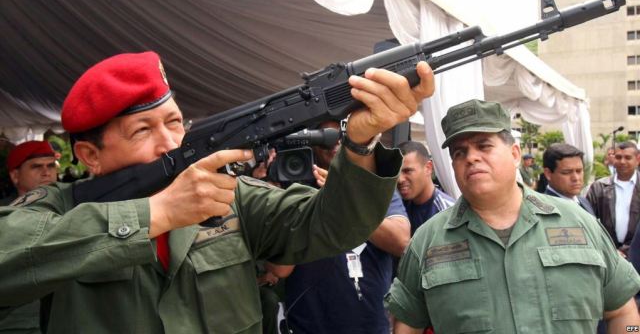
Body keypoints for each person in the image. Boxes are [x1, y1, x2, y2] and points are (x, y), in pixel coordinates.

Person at [0, 51, 435, 333]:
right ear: (90, 155)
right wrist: (156, 214)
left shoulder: (234, 196)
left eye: (174, 122)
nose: (170, 143)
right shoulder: (54, 209)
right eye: (142, 130)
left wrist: (359, 145)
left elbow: (334, 226)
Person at [386, 99, 640, 333]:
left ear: (515, 154)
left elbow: (623, 311)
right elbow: (407, 327)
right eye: (459, 153)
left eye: (484, 146)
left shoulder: (579, 223)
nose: (471, 157)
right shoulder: (427, 242)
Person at [282, 120, 411, 334]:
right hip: (308, 325)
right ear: (311, 141)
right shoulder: (297, 186)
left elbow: (400, 242)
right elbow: (279, 268)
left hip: (367, 325)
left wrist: (343, 198)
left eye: (340, 135)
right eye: (323, 136)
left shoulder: (376, 183)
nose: (333, 142)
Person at [0, 141, 57, 334]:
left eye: (50, 166)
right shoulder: (3, 216)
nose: (46, 172)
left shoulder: (73, 209)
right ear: (15, 176)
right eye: (36, 167)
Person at [587, 141, 640, 256]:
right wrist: (609, 250)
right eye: (618, 157)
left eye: (627, 158)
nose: (622, 162)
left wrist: (625, 250)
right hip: (607, 254)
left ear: (638, 159)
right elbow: (587, 221)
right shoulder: (599, 187)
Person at [397, 141, 455, 235]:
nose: (400, 179)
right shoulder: (398, 207)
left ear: (428, 168)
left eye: (407, 171)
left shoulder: (448, 213)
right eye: (396, 173)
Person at [542, 143, 594, 214]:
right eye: (566, 172)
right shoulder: (544, 209)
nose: (576, 178)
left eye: (579, 171)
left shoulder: (584, 202)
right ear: (548, 174)